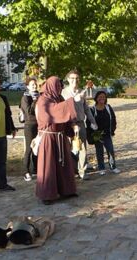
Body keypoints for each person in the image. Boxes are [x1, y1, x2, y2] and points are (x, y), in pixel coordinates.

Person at [35, 76, 78, 205]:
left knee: (64, 165)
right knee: (48, 167)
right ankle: (47, 194)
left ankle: (67, 190)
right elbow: (51, 113)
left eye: (60, 86)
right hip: (48, 137)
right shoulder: (43, 100)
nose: (60, 88)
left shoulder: (59, 99)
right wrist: (71, 102)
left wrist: (72, 126)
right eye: (57, 86)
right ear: (51, 86)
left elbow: (65, 116)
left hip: (60, 136)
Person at [61, 70, 98, 180]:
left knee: (82, 148)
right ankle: (70, 170)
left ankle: (82, 170)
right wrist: (74, 99)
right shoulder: (63, 93)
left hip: (80, 123)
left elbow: (86, 108)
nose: (74, 80)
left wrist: (92, 121)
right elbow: (62, 108)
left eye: (77, 78)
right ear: (68, 79)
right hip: (68, 124)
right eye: (72, 78)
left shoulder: (82, 91)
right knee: (68, 148)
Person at [89, 91, 121, 175]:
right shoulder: (92, 109)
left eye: (103, 97)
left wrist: (112, 130)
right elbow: (89, 122)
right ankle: (101, 168)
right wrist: (93, 131)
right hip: (97, 135)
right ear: (96, 98)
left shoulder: (108, 107)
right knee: (99, 152)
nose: (102, 98)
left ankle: (113, 167)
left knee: (110, 150)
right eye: (100, 97)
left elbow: (113, 119)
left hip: (107, 133)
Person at [21, 77, 40, 181]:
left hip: (39, 124)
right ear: (28, 86)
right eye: (32, 84)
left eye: (35, 84)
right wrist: (34, 100)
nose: (34, 86)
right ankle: (26, 171)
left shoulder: (40, 95)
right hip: (29, 125)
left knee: (37, 148)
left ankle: (36, 169)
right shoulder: (25, 97)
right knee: (29, 148)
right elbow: (28, 112)